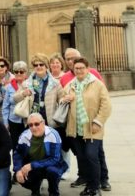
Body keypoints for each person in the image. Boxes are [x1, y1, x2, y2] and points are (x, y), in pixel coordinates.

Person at [61, 48, 109, 190]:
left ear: (87, 68)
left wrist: (98, 121)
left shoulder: (96, 81)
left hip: (92, 127)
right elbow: (61, 102)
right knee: (82, 157)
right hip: (76, 128)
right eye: (76, 68)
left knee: (92, 155)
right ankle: (89, 184)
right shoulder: (68, 82)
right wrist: (65, 99)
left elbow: (105, 103)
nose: (79, 70)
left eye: (82, 67)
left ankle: (99, 184)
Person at [13, 113, 68, 196]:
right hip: (34, 167)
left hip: (52, 165)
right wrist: (18, 170)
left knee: (52, 172)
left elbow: (55, 159)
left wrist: (32, 165)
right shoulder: (24, 136)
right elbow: (18, 154)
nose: (33, 127)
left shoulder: (53, 134)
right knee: (17, 176)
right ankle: (35, 189)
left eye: (36, 124)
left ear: (43, 123)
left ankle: (53, 191)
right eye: (30, 125)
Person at [14, 53, 63, 128]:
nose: (38, 67)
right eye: (35, 65)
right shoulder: (27, 83)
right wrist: (23, 93)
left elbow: (61, 100)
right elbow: (15, 98)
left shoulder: (55, 83)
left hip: (49, 121)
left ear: (46, 66)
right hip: (32, 121)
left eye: (41, 64)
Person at [2, 61, 28, 150]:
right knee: (15, 147)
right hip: (13, 120)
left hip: (27, 120)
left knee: (27, 146)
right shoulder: (9, 87)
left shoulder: (30, 85)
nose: (19, 74)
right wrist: (5, 122)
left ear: (26, 73)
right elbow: (5, 106)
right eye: (16, 72)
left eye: (21, 72)